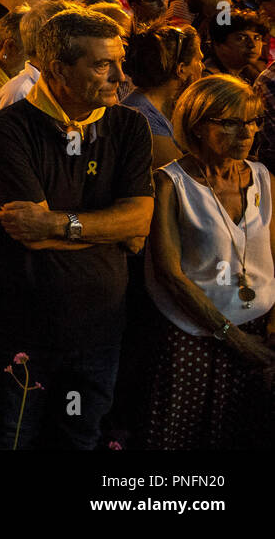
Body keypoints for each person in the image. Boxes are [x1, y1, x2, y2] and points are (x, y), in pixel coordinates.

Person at [0, 6, 154, 449]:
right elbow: (30, 235)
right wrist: (108, 229)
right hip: (27, 327)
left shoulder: (129, 125)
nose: (119, 75)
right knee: (16, 438)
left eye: (119, 60)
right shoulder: (10, 128)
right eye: (102, 64)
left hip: (100, 327)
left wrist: (60, 223)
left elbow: (139, 223)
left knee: (79, 439)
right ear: (58, 68)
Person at [144, 75, 275, 448]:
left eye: (253, 121)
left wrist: (271, 334)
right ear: (198, 125)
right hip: (193, 337)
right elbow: (170, 274)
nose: (246, 133)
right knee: (183, 438)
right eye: (231, 123)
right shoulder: (171, 183)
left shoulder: (263, 178)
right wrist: (231, 337)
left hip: (259, 332)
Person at [122, 26, 204, 168]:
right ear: (181, 69)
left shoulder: (169, 104)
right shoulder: (143, 117)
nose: (202, 67)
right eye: (198, 61)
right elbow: (185, 176)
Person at [202, 9, 264, 83]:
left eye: (257, 38)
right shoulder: (210, 81)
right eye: (241, 38)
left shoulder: (249, 74)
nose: (252, 45)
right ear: (218, 44)